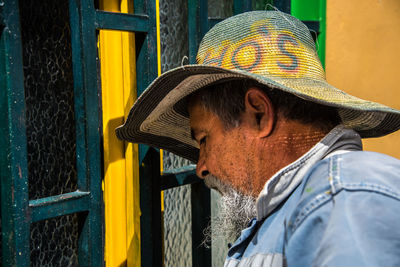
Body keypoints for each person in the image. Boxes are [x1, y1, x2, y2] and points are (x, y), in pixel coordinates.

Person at [116, 10, 400, 266]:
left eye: (203, 139)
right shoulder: (309, 202)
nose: (201, 166)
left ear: (259, 114)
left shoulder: (346, 200)